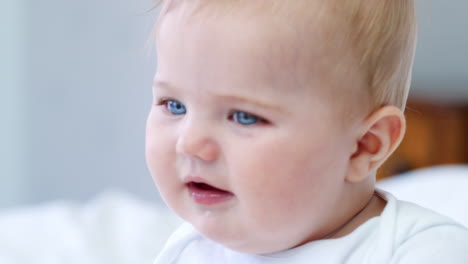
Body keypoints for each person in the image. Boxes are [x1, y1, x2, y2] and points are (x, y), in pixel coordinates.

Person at [145, 0, 468, 263]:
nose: (189, 144)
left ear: (363, 146)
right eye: (174, 106)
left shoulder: (422, 250)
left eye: (243, 117)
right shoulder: (187, 251)